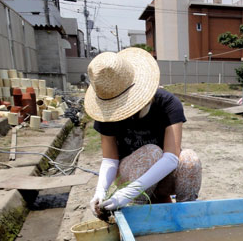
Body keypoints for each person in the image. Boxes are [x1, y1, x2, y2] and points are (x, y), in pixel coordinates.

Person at [85, 47, 202, 218]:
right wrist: (101, 191)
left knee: (190, 160)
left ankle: (186, 218)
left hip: (162, 174)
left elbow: (171, 157)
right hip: (130, 173)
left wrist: (128, 192)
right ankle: (136, 212)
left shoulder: (167, 104)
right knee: (151, 152)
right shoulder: (107, 114)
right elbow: (110, 159)